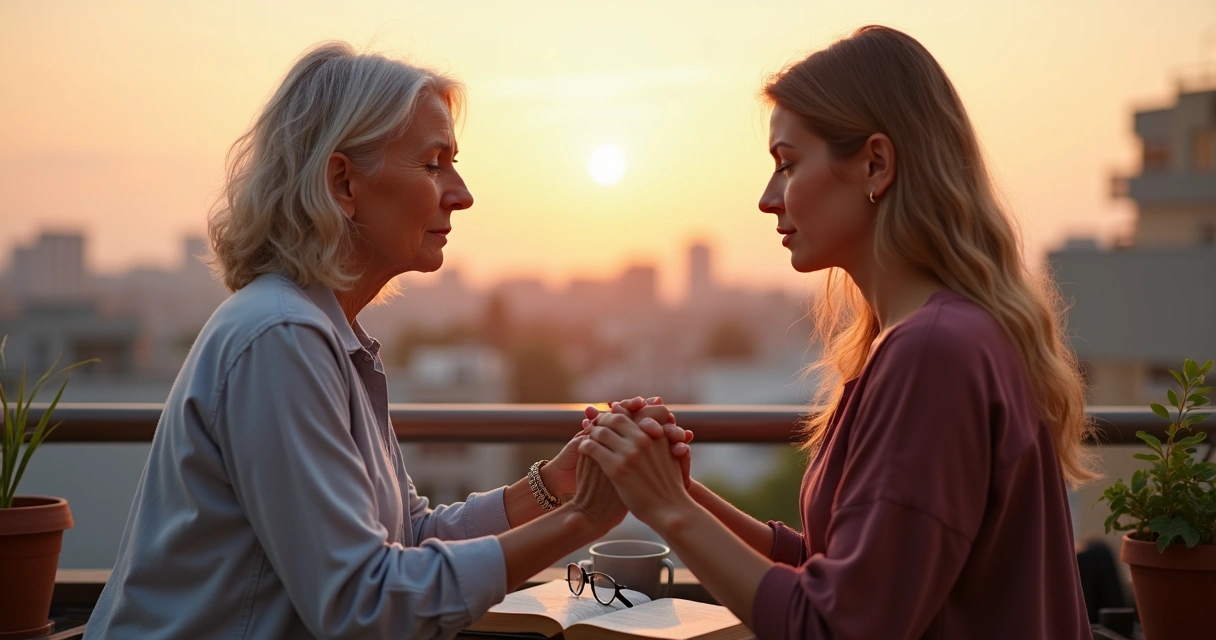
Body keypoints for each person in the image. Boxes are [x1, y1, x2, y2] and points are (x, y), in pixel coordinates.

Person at [84, 42, 688, 639]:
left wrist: (556, 485)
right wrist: (584, 519)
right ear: (343, 183)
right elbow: (361, 605)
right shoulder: (281, 339)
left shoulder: (323, 333)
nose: (462, 192)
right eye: (433, 164)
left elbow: (410, 537)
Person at [580, 25, 1096, 639]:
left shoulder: (933, 355)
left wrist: (667, 509)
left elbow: (834, 624)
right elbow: (835, 571)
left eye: (787, 165)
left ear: (875, 163)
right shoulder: (930, 337)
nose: (769, 199)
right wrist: (679, 494)